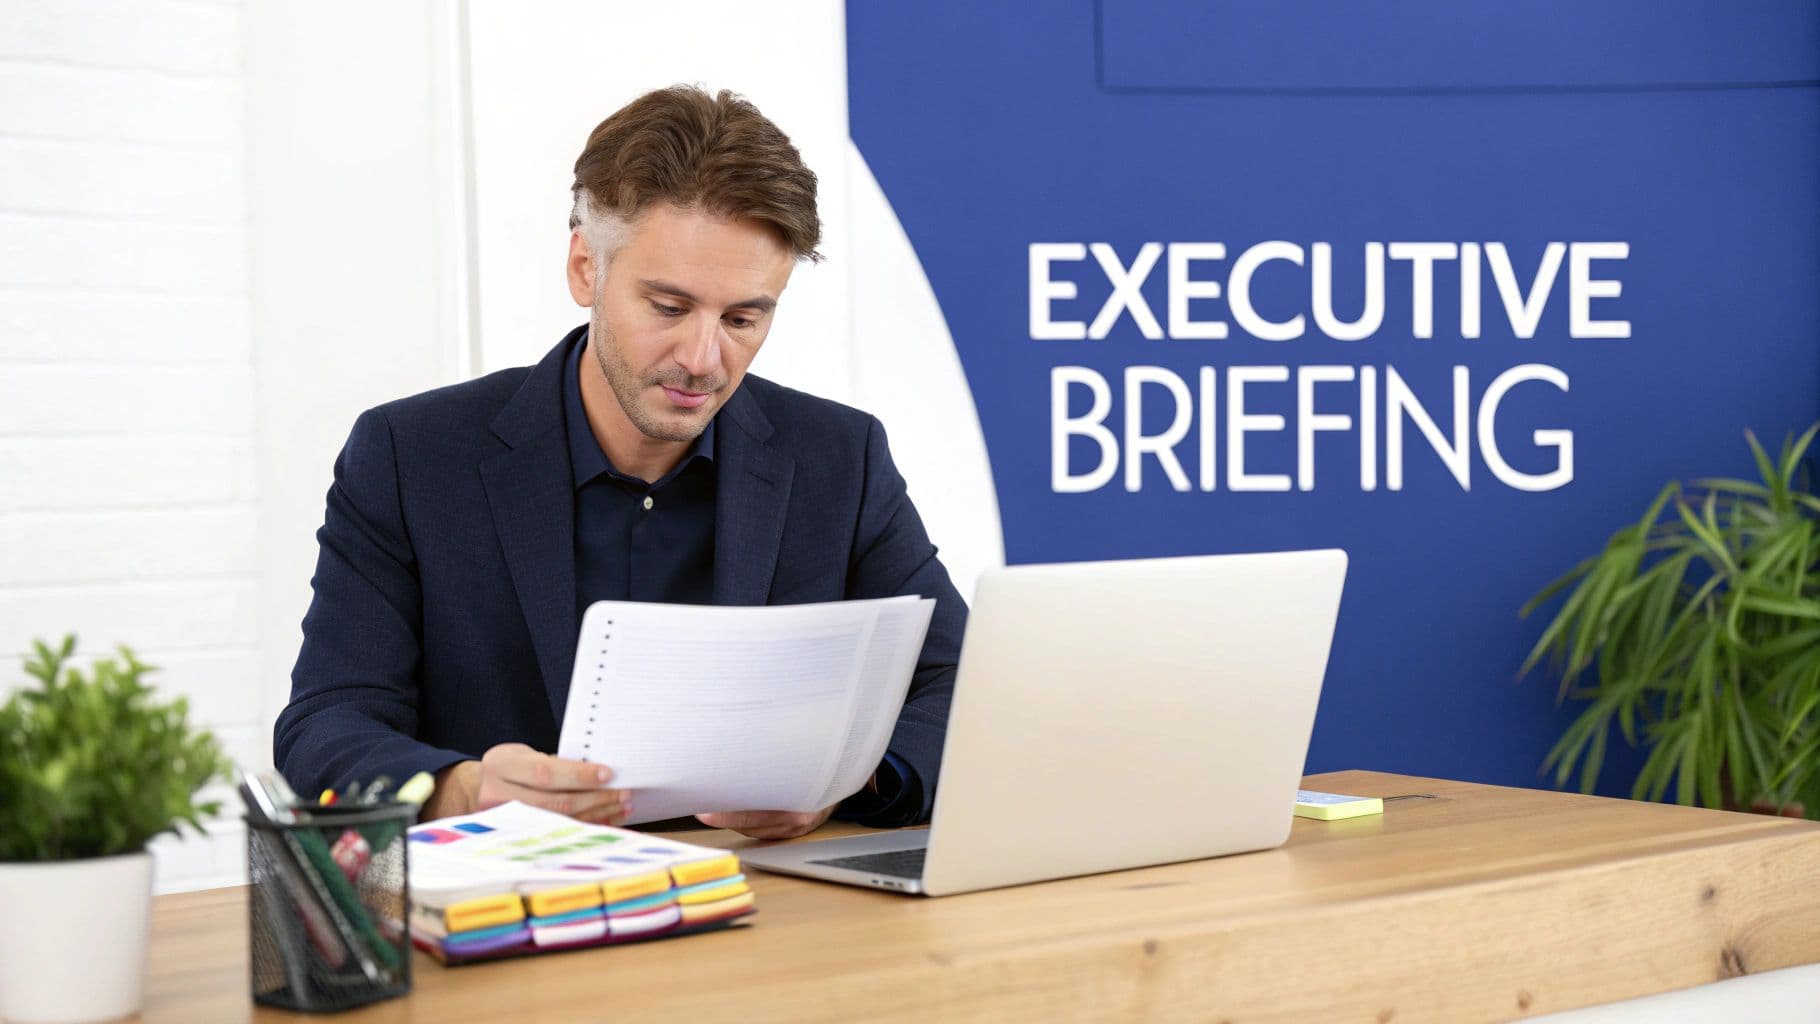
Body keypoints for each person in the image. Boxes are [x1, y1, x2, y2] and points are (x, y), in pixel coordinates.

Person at [273, 86, 966, 840]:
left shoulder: (840, 456)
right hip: (511, 911)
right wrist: (463, 789)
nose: (704, 360)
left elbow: (963, 682)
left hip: (768, 910)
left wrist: (848, 780)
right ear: (584, 270)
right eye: (669, 308)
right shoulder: (412, 457)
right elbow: (326, 722)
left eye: (743, 318)